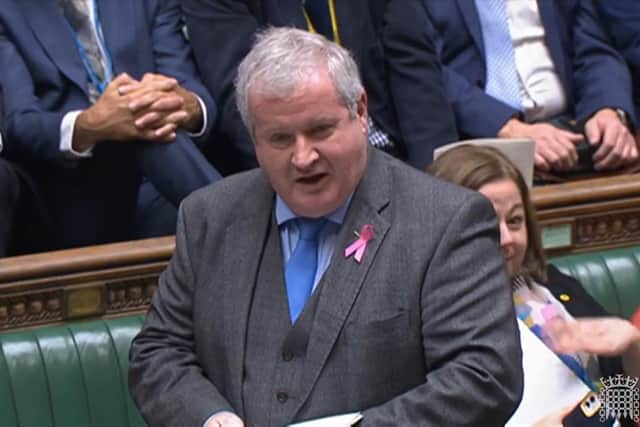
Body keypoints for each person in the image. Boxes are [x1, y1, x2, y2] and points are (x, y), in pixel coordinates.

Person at [129, 27, 523, 427]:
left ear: (361, 111)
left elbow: (483, 376)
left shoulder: (446, 220)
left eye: (320, 130)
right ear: (254, 137)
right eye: (280, 138)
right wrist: (209, 417)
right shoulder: (209, 216)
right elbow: (159, 351)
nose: (303, 157)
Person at [428, 144, 640, 426]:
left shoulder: (551, 286)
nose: (506, 239)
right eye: (486, 223)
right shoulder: (419, 328)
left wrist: (632, 350)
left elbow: (626, 405)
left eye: (515, 221)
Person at [0, 0, 221, 250]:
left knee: (143, 121)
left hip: (162, 183)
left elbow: (190, 89)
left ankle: (234, 228)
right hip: (75, 191)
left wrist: (184, 104)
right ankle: (240, 226)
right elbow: (19, 124)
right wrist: (90, 124)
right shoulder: (7, 11)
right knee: (140, 126)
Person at [181, 0, 458, 173]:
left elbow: (415, 69)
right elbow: (243, 99)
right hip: (305, 163)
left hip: (396, 154)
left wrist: (435, 174)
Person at [422, 0, 638, 175]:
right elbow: (425, 70)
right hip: (480, 138)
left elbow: (593, 49)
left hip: (571, 127)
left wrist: (607, 109)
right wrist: (508, 128)